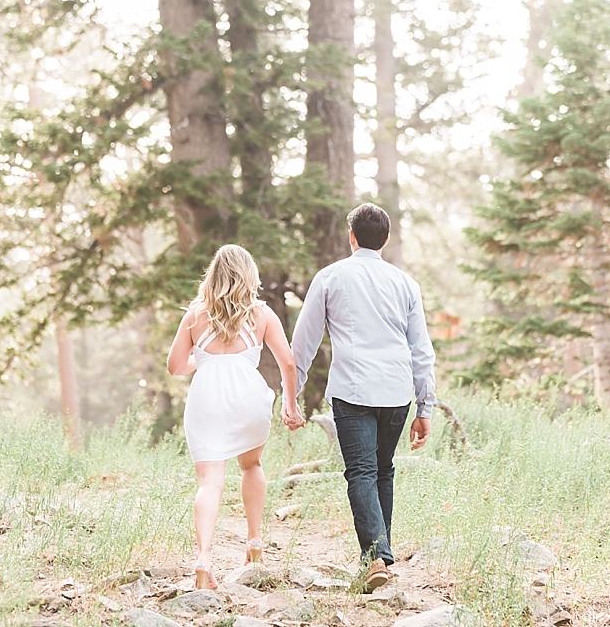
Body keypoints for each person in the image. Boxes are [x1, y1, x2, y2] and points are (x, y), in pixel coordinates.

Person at [290, 203, 437, 593]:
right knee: (382, 469)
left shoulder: (330, 277)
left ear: (351, 237)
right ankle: (381, 555)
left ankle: (375, 558)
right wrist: (425, 406)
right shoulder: (406, 284)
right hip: (395, 390)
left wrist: (293, 393)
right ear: (386, 239)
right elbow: (421, 349)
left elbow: (303, 342)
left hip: (353, 389)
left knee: (362, 472)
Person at [167, 244, 305, 590]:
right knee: (251, 466)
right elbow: (288, 363)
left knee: (209, 482)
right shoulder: (263, 314)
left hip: (206, 401)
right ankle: (255, 541)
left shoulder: (195, 315)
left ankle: (203, 558)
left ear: (212, 275)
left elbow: (175, 367)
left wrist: (208, 361)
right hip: (248, 398)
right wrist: (291, 404)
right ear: (250, 275)